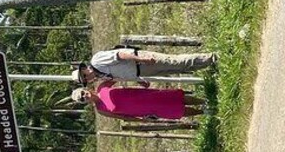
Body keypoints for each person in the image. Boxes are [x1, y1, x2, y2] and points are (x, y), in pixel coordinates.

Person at [72, 47, 216, 86]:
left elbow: (119, 55)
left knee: (176, 62)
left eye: (84, 75)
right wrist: (139, 80)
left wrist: (140, 58)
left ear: (85, 69)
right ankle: (207, 63)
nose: (87, 77)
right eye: (85, 80)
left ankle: (212, 58)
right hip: (141, 72)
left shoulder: (97, 61)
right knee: (177, 68)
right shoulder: (101, 76)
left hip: (139, 62)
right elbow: (121, 75)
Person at [71, 80, 204, 121]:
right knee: (176, 111)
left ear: (85, 89)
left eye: (83, 93)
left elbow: (120, 75)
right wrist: (142, 120)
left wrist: (139, 80)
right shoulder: (101, 110)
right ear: (84, 103)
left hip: (144, 95)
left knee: (175, 98)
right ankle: (203, 112)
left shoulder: (102, 86)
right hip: (144, 110)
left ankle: (203, 102)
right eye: (82, 99)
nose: (85, 96)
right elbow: (123, 117)